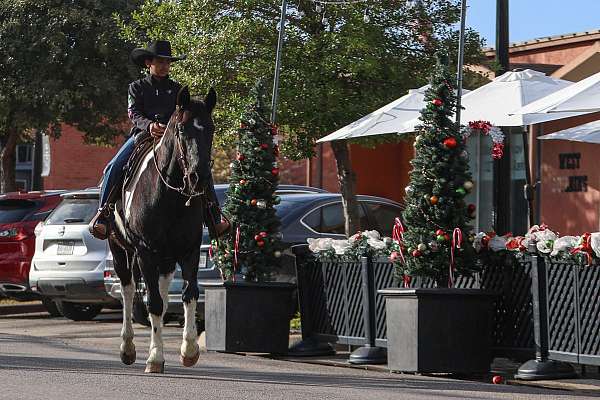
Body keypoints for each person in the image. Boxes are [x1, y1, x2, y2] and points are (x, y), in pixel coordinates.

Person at [89, 40, 229, 240]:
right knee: (113, 166)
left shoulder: (178, 90)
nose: (165, 66)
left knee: (200, 165)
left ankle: (214, 216)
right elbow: (133, 113)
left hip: (173, 139)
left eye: (167, 62)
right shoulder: (136, 87)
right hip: (143, 136)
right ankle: (103, 215)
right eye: (160, 61)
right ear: (148, 63)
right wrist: (149, 125)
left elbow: (184, 116)